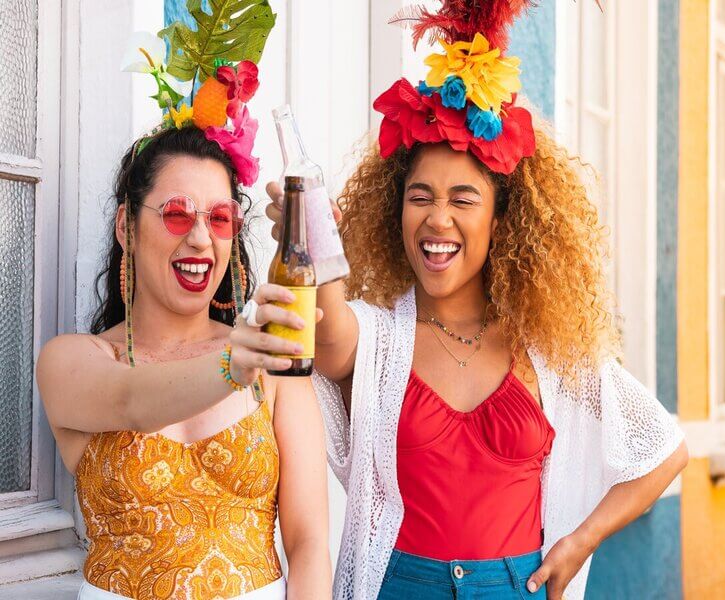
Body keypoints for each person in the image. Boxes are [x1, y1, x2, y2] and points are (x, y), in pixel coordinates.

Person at [266, 2, 687, 599]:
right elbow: (327, 337)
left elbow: (664, 450)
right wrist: (314, 238)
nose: (438, 219)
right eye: (420, 197)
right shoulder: (379, 340)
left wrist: (580, 540)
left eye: (463, 200)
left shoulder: (545, 350)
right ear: (395, 210)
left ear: (501, 220)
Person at [36, 8, 330, 599]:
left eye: (219, 219)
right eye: (176, 214)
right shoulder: (73, 360)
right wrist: (233, 364)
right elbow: (131, 401)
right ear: (126, 226)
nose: (199, 238)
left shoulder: (273, 363)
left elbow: (308, 543)